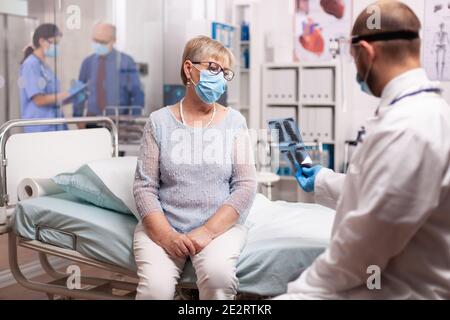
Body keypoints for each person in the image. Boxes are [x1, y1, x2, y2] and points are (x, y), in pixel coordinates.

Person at [278, 0, 450, 300]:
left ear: (368, 53)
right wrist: (322, 179)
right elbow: (379, 191)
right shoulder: (419, 113)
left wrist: (295, 295)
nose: (356, 68)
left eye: (354, 56)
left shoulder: (408, 129)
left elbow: (357, 254)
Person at [133, 36, 257, 300]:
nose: (220, 78)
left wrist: (207, 231)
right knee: (154, 291)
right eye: (213, 68)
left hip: (219, 227)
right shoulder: (158, 122)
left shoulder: (235, 122)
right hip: (164, 224)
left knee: (218, 277)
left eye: (225, 73)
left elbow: (246, 186)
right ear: (189, 69)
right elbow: (144, 187)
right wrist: (167, 236)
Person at [73, 23, 144, 121]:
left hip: (119, 119)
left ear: (114, 40)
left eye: (102, 42)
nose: (98, 45)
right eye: (95, 40)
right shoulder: (88, 62)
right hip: (92, 118)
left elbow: (137, 93)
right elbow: (79, 92)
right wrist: (77, 118)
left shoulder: (126, 62)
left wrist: (134, 118)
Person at [19, 24, 72, 133]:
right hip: (40, 127)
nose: (57, 47)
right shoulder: (31, 64)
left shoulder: (44, 66)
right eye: (55, 43)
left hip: (53, 124)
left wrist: (73, 97)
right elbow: (39, 100)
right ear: (42, 41)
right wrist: (65, 94)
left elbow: (53, 99)